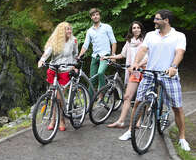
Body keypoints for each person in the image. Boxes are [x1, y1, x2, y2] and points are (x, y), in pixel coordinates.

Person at [119, 10, 190, 151]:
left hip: (168, 74)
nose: (154, 21)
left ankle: (182, 138)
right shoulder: (151, 35)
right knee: (138, 101)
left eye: (157, 19)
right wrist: (135, 62)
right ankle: (130, 130)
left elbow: (179, 53)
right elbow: (143, 50)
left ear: (166, 20)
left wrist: (173, 67)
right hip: (150, 73)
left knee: (177, 107)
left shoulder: (179, 36)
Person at [102, 21, 148, 128]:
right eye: (134, 28)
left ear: (141, 29)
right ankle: (121, 121)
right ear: (131, 30)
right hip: (133, 72)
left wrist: (138, 64)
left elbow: (148, 57)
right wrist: (109, 57)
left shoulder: (145, 42)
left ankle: (139, 121)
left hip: (144, 71)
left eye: (138, 27)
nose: (136, 29)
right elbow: (122, 55)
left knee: (141, 98)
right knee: (127, 97)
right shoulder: (129, 42)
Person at [38, 22, 78, 131]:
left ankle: (61, 120)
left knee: (59, 98)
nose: (69, 31)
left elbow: (75, 55)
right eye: (67, 29)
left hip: (65, 70)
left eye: (70, 29)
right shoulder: (55, 41)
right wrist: (42, 60)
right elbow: (47, 52)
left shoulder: (73, 40)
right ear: (61, 32)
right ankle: (53, 120)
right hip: (54, 69)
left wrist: (74, 65)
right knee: (53, 96)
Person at [78, 8, 117, 92]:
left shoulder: (107, 27)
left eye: (97, 14)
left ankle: (101, 95)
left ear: (99, 16)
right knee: (92, 80)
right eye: (93, 15)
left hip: (105, 56)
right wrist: (79, 56)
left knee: (100, 72)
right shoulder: (89, 31)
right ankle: (89, 102)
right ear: (91, 17)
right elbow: (85, 45)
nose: (95, 16)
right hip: (95, 56)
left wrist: (113, 56)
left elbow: (113, 42)